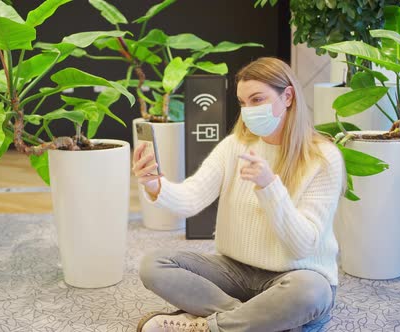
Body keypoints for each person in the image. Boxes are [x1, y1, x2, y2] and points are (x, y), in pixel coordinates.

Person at [131, 57, 345, 332]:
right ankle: (253, 320)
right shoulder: (235, 146)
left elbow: (301, 247)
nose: (248, 111)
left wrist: (270, 187)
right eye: (243, 103)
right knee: (154, 264)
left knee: (312, 292)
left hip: (296, 275)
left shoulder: (323, 158)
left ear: (288, 96)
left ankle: (207, 327)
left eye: (257, 99)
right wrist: (155, 185)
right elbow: (192, 197)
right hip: (236, 271)